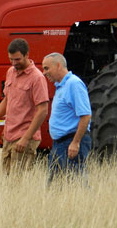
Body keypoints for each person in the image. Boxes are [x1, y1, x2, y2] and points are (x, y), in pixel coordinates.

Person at [0, 38, 49, 175]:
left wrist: (26, 138)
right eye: (11, 59)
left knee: (19, 182)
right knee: (8, 180)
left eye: (17, 59)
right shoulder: (11, 72)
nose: (14, 63)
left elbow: (43, 110)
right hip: (9, 136)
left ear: (27, 55)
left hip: (25, 137)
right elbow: (7, 99)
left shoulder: (37, 78)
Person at [42, 52, 92, 182]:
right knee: (56, 186)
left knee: (75, 183)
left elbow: (86, 115)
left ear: (58, 65)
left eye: (47, 68)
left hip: (70, 142)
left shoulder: (74, 84)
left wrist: (75, 143)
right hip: (60, 144)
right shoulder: (61, 87)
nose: (44, 72)